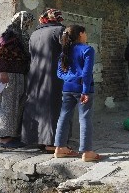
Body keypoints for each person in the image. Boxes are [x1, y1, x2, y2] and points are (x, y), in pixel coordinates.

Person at [53, 25, 102, 162]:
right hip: (83, 89)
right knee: (85, 118)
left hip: (67, 88)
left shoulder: (65, 52)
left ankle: (60, 148)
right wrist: (85, 90)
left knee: (63, 117)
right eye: (85, 33)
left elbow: (59, 73)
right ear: (81, 34)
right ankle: (87, 152)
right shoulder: (87, 49)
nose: (86, 36)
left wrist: (70, 79)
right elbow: (86, 73)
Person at [21, 8, 65, 153]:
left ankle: (35, 138)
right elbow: (67, 53)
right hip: (53, 74)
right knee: (52, 106)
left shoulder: (34, 33)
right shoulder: (60, 31)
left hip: (35, 74)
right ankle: (51, 143)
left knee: (36, 105)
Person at [0, 11, 35, 149]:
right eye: (28, 22)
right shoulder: (10, 36)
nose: (29, 25)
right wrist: (2, 71)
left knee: (15, 106)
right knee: (7, 106)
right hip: (8, 75)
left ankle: (10, 136)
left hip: (18, 75)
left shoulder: (21, 36)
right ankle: (5, 138)